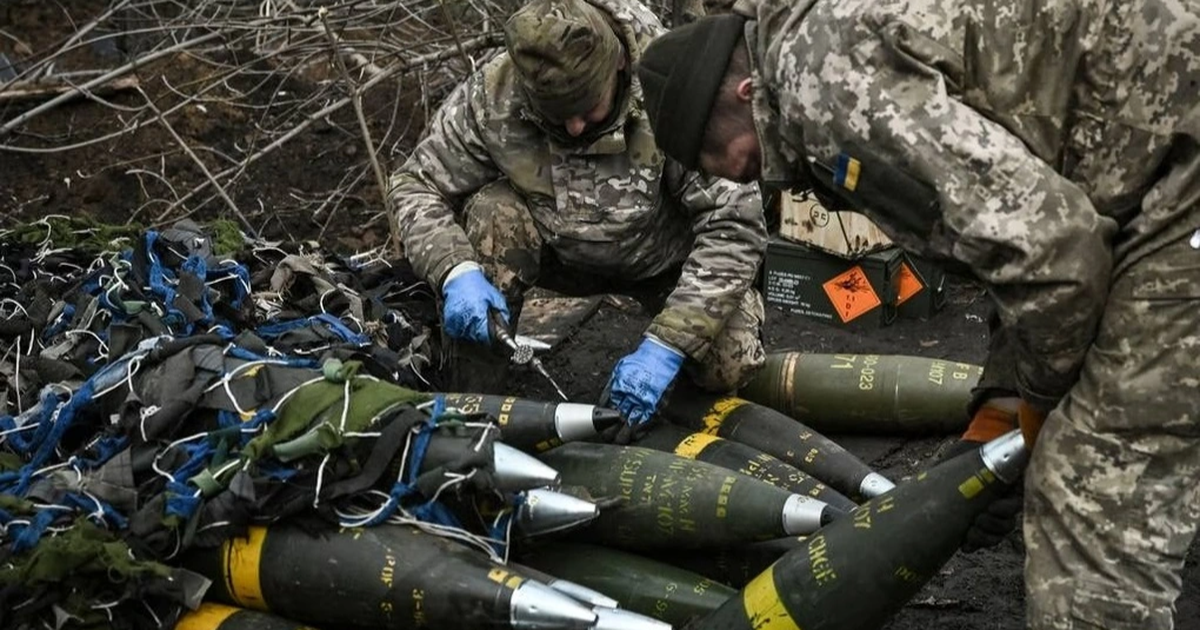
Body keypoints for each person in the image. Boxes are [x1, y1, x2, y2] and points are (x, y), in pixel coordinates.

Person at [633, 1, 1200, 628]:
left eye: (742, 162)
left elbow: (1052, 255)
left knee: (1089, 506)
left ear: (746, 93)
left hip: (1178, 179)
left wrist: (1039, 409)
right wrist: (1001, 407)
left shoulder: (818, 85)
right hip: (1154, 153)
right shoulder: (815, 43)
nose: (759, 183)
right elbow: (1005, 239)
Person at [388, 0, 768, 426]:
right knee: (493, 213)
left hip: (664, 261)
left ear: (620, 66)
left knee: (728, 362)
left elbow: (735, 224)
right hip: (556, 254)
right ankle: (473, 407)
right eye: (556, 115)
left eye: (588, 109)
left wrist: (669, 345)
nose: (573, 128)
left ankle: (672, 405)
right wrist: (455, 270)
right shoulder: (494, 94)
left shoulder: (672, 86)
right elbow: (414, 184)